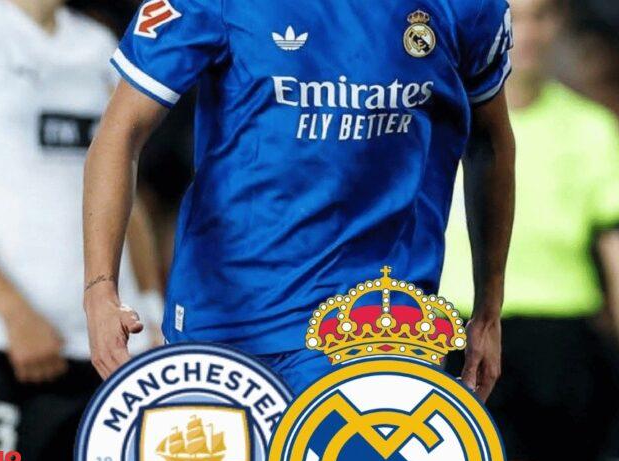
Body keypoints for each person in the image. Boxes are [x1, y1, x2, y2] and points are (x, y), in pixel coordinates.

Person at [83, 0, 517, 399]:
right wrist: (100, 288)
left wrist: (489, 306)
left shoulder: (469, 7)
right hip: (223, 321)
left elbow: (491, 142)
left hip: (378, 321)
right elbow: (122, 132)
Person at [0, 0, 162, 461]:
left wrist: (152, 305)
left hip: (109, 353)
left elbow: (126, 192)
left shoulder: (98, 44)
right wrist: (13, 312)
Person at [441, 0, 619, 461]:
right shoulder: (439, 125)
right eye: (513, 18)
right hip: (453, 328)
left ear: (559, 25)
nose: (525, 33)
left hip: (560, 343)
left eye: (540, 17)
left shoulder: (594, 130)